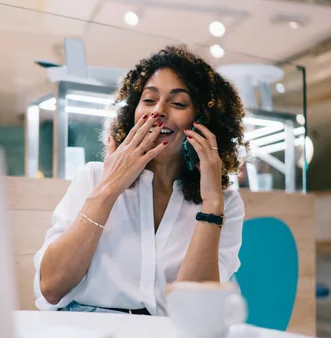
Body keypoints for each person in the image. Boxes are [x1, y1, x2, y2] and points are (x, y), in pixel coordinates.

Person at [33, 44, 247, 316]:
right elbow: (51, 287)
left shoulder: (224, 203)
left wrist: (212, 206)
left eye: (178, 103)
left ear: (203, 121)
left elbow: (193, 311)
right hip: (84, 328)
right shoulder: (93, 177)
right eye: (148, 100)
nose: (158, 111)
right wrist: (109, 189)